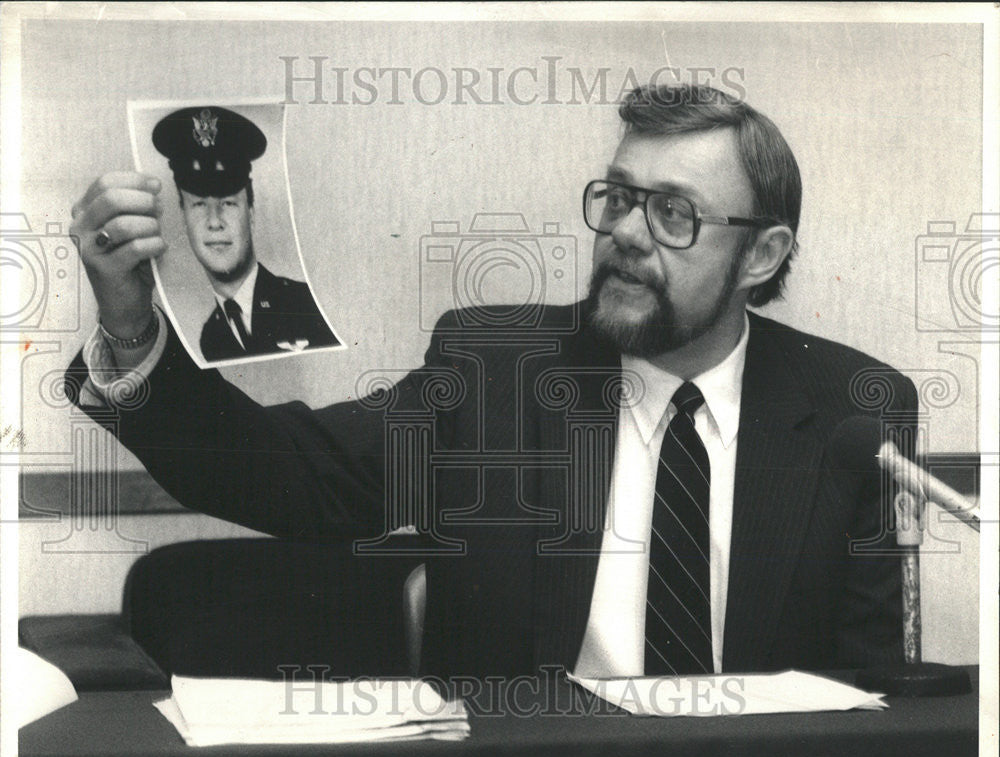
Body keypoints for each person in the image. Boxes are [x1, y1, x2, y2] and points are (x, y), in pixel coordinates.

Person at [67, 84, 914, 680]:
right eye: (618, 198)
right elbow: (285, 475)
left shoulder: (853, 409)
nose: (624, 232)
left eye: (673, 212)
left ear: (760, 255)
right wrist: (133, 325)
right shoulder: (497, 373)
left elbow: (873, 692)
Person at [151, 106, 339, 361]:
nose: (214, 222)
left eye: (227, 203)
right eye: (198, 204)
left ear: (250, 210)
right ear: (183, 215)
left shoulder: (308, 304)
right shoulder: (211, 336)